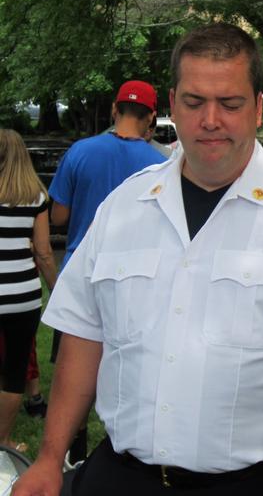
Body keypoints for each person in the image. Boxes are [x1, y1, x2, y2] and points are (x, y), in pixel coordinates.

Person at [12, 22, 263, 496]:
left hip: (251, 486)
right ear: (172, 103)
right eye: (195, 101)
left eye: (230, 103)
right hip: (120, 479)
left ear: (258, 108)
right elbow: (84, 333)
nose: (211, 120)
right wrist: (49, 457)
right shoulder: (124, 207)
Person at [47, 79, 167, 465]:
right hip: (140, 283)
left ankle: (72, 453)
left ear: (114, 110)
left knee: (73, 372)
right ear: (151, 118)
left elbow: (59, 215)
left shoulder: (81, 151)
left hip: (81, 276)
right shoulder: (162, 164)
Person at [0, 129, 57, 453]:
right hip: (22, 296)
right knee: (15, 370)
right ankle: (4, 440)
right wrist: (56, 288)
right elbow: (44, 252)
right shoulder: (36, 196)